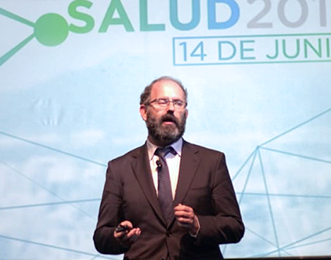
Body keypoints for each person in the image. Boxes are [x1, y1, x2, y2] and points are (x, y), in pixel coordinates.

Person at [93, 76, 244, 260]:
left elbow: (234, 227)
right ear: (144, 111)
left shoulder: (211, 162)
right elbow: (101, 238)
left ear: (185, 114)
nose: (171, 108)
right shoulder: (120, 168)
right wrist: (119, 237)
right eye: (162, 101)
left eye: (178, 103)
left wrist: (198, 224)